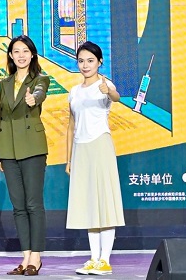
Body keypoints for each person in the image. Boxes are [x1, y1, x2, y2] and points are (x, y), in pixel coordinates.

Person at [66, 42, 124, 276]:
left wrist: (108, 91)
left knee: (104, 203)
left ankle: (105, 260)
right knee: (89, 204)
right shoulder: (74, 91)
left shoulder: (105, 85)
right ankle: (93, 258)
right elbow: (71, 126)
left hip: (100, 145)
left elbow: (116, 97)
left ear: (99, 62)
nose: (85, 65)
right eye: (81, 61)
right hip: (80, 149)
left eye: (90, 60)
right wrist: (69, 159)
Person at [0, 35, 50, 276]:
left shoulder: (40, 79)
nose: (21, 55)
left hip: (32, 148)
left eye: (25, 51)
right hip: (9, 150)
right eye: (16, 51)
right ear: (10, 55)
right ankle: (25, 255)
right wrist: (0, 153)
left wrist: (33, 98)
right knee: (18, 206)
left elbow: (39, 93)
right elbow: (1, 118)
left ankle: (36, 257)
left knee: (33, 204)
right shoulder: (4, 83)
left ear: (32, 54)